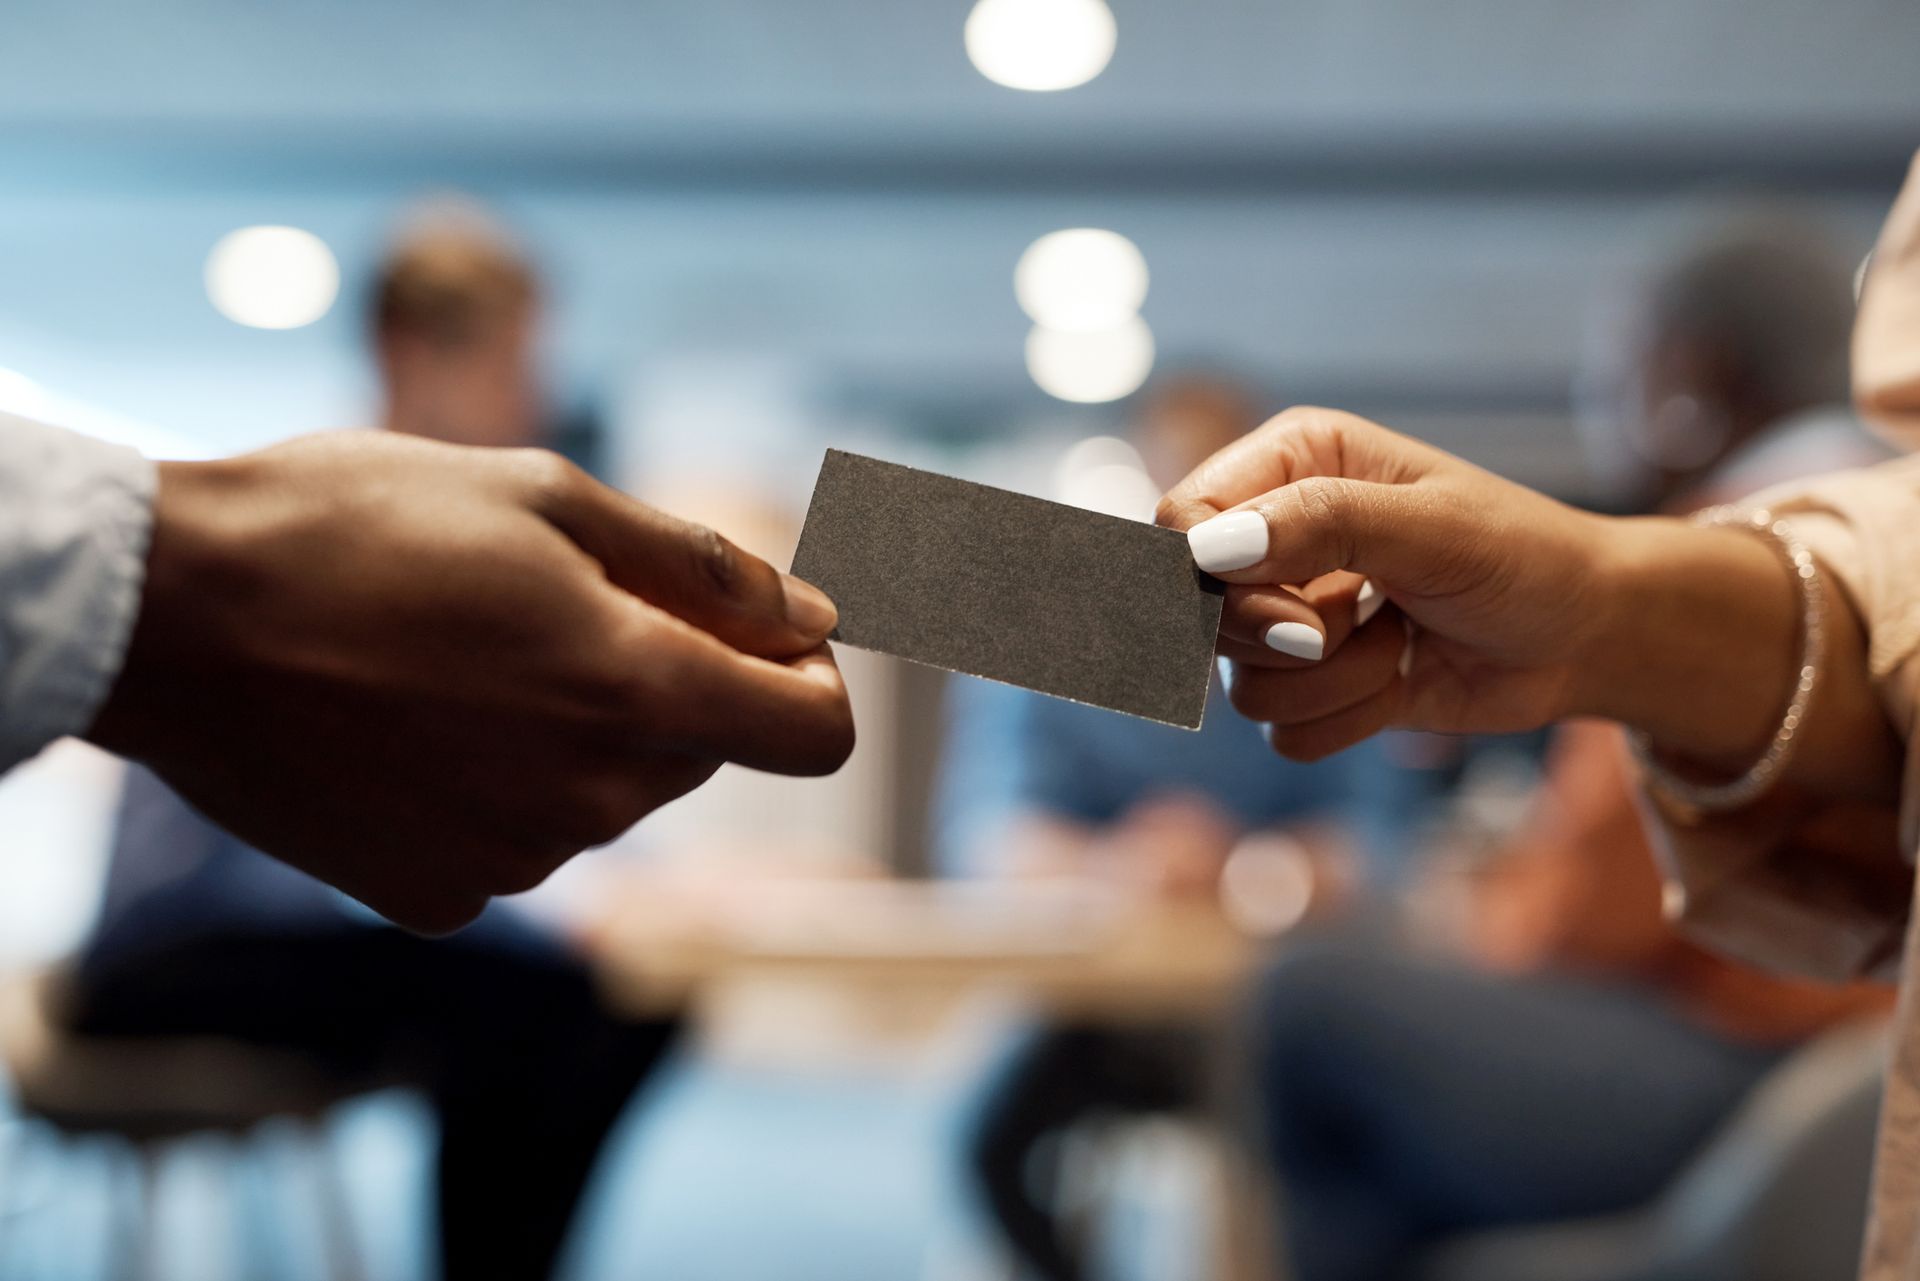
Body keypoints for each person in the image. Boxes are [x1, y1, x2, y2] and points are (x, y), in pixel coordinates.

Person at [1154, 151, 1920, 1281]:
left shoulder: (1727, 539)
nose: (1598, 400)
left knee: (1305, 1007)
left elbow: (1579, 925)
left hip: (1748, 1080)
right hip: (1833, 1072)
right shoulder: (1834, 519)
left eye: (1617, 369)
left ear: (1685, 381)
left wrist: (1454, 909)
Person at [43, 213, 711, 1281]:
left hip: (302, 934)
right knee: (540, 1004)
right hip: (182, 945)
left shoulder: (462, 548)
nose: (531, 400)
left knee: (611, 1003)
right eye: (512, 364)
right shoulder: (320, 516)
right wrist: (555, 923)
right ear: (415, 354)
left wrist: (644, 887)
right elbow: (300, 851)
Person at [938, 375, 1441, 1281]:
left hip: (1264, 1002)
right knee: (989, 1150)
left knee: (1315, 1179)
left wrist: (1249, 865)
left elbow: (1380, 839)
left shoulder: (1333, 627)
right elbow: (989, 829)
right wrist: (1117, 860)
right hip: (1095, 1003)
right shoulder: (1059, 618)